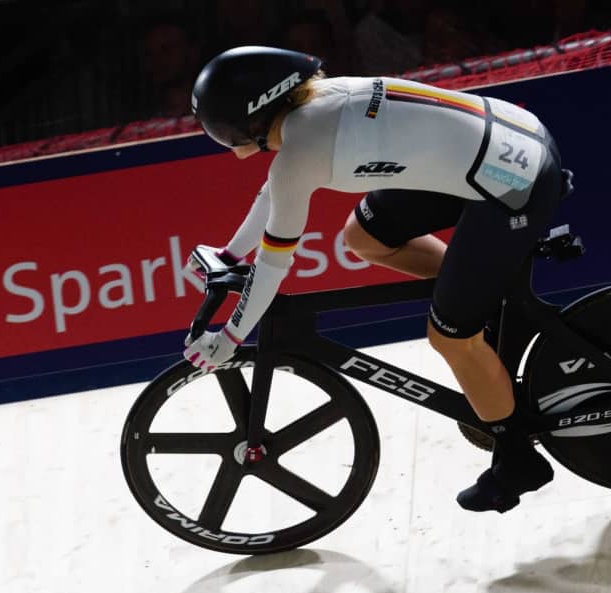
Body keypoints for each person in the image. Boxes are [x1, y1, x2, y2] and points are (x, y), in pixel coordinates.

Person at [185, 46, 570, 514]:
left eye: (220, 129)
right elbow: (276, 192)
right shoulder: (312, 101)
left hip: (513, 182)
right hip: (505, 142)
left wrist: (230, 335)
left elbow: (273, 262)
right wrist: (228, 254)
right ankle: (484, 303)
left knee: (449, 338)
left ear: (248, 118)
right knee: (364, 237)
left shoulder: (300, 151)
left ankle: (517, 460)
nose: (225, 143)